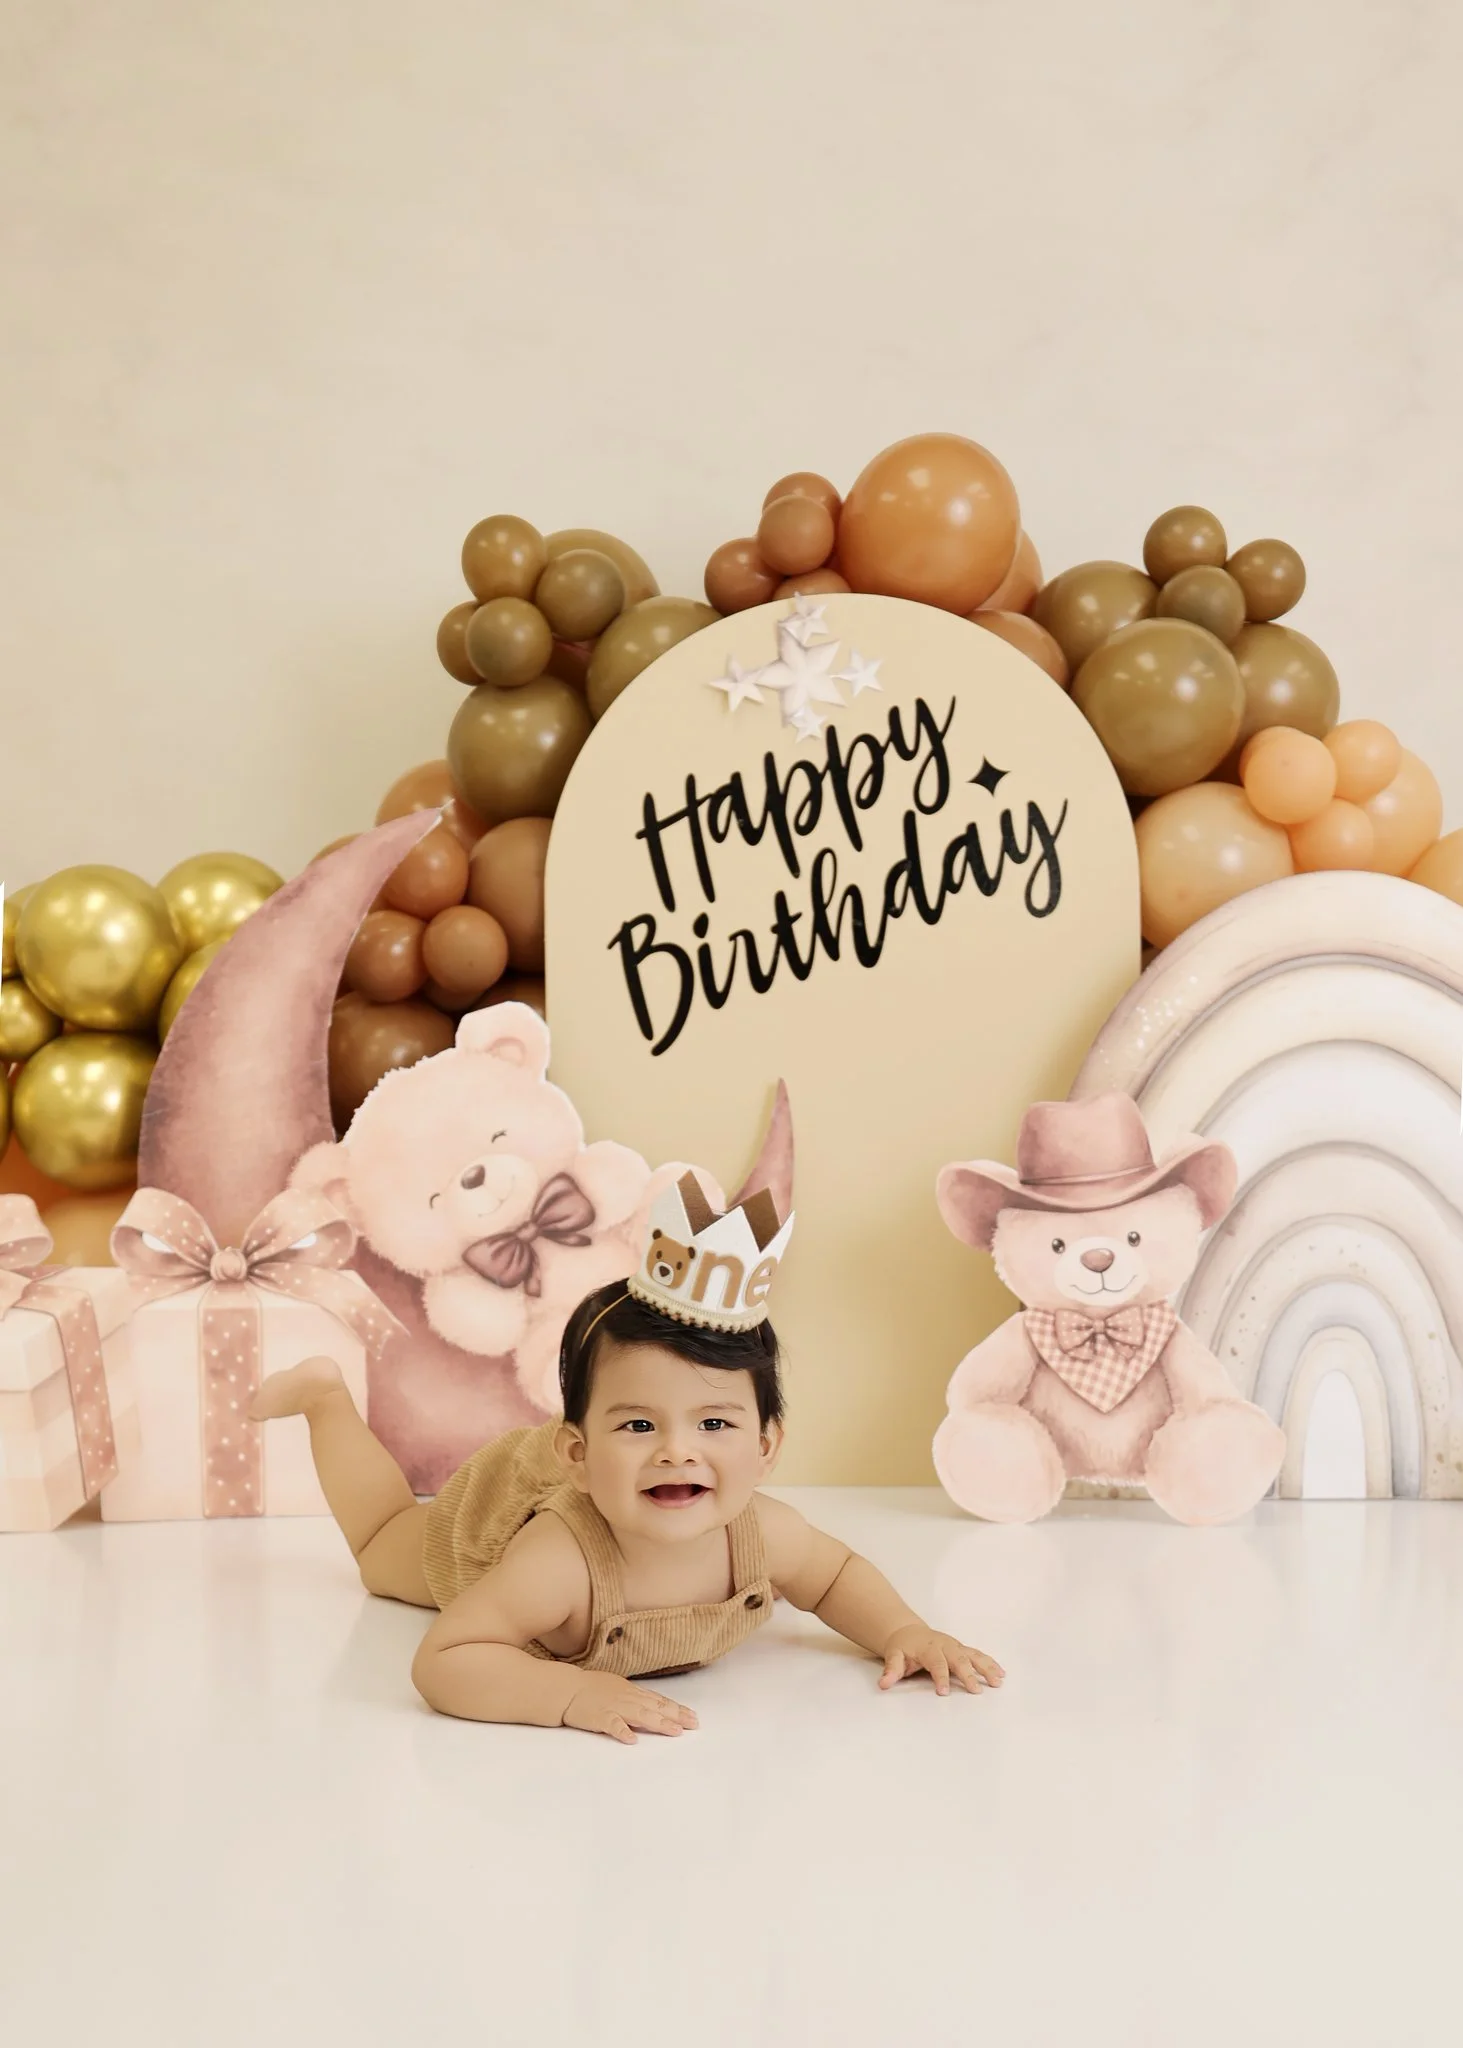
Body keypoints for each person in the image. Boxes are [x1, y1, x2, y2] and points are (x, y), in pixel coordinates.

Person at [250, 1172, 1004, 1743]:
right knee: (383, 1550)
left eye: (713, 1422)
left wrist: (903, 1631)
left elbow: (835, 1576)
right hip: (494, 1519)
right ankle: (325, 1400)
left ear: (766, 1446)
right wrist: (568, 1697)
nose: (678, 1451)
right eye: (638, 1426)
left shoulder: (764, 1534)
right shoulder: (557, 1563)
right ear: (576, 1451)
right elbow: (446, 1658)